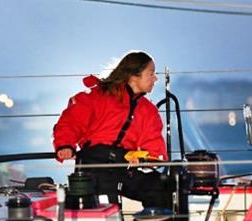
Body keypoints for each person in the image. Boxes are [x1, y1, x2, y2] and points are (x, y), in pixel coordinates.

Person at [53, 51, 171, 209]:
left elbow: (154, 147)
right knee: (107, 202)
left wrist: (149, 159)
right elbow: (70, 122)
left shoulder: (148, 111)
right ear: (133, 75)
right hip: (94, 166)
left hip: (123, 167)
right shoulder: (97, 96)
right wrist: (65, 145)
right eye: (151, 73)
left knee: (162, 187)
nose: (155, 78)